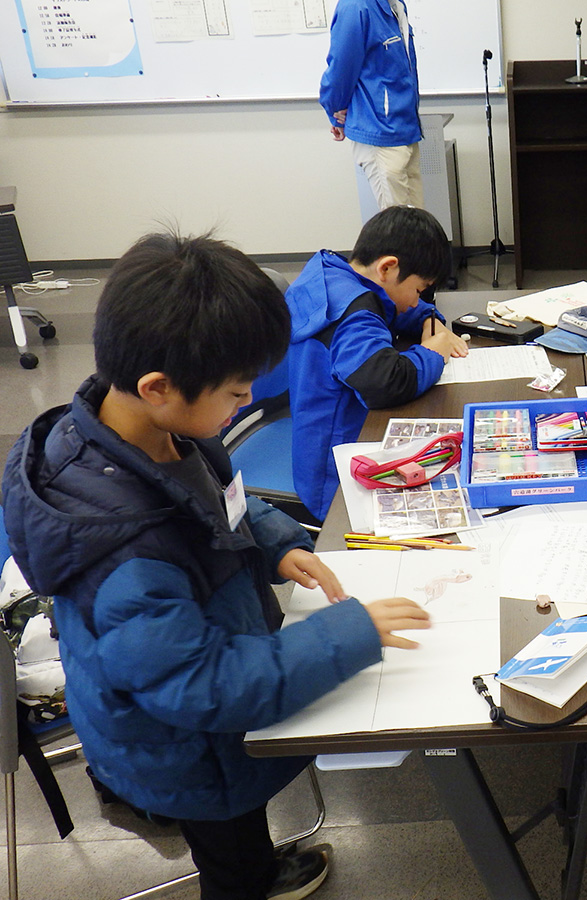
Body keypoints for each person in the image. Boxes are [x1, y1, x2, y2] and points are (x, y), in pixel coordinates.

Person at [2, 232, 433, 900]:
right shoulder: (124, 556)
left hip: (199, 696)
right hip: (184, 746)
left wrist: (278, 541)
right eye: (235, 393)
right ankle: (247, 884)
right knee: (228, 848)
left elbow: (221, 502)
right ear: (158, 387)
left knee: (238, 830)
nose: (248, 400)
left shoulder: (154, 428)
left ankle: (256, 869)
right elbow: (207, 686)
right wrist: (348, 635)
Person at [286, 205, 467, 520]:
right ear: (388, 268)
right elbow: (385, 382)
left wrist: (429, 319)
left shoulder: (335, 275)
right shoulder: (352, 315)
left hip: (317, 439)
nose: (417, 300)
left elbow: (389, 307)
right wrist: (433, 352)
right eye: (419, 290)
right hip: (334, 479)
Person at [320, 0, 424, 209]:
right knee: (397, 222)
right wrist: (335, 113)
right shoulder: (355, 7)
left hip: (406, 128)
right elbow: (340, 70)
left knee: (417, 220)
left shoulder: (395, 4)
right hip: (380, 130)